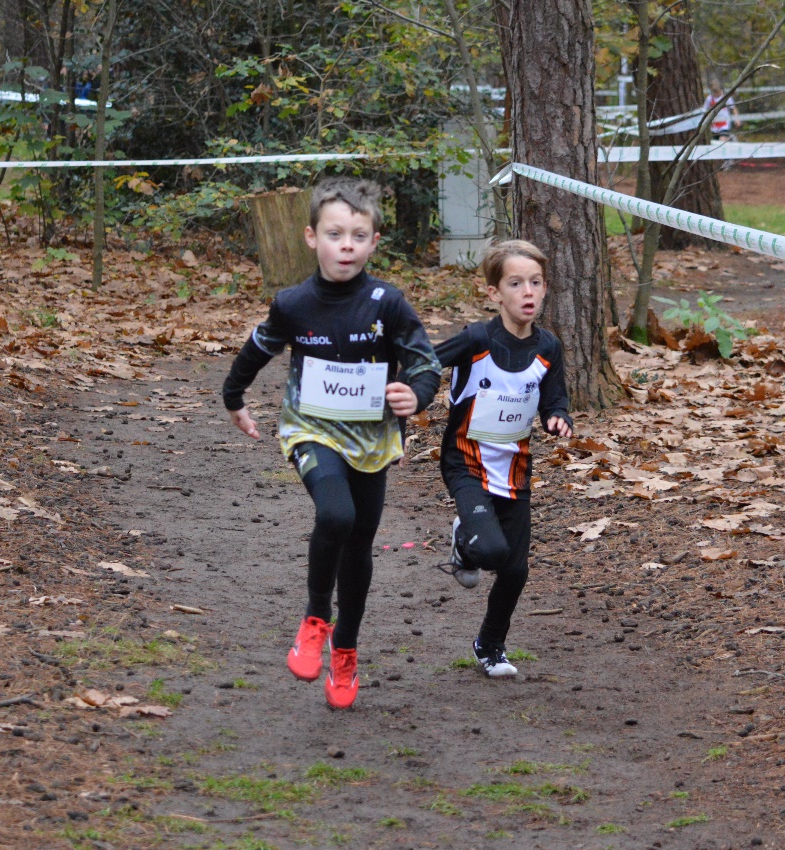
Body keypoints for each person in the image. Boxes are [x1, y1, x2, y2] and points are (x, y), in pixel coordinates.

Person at [222, 178, 441, 709]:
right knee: (336, 517)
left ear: (373, 242)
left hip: (371, 438)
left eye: (358, 235)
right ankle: (316, 616)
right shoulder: (294, 303)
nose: (347, 245)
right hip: (312, 430)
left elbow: (425, 362)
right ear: (310, 237)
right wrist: (234, 396)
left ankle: (345, 650)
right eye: (335, 234)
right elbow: (258, 349)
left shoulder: (387, 303)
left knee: (359, 544)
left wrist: (416, 395)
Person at [436, 241, 573, 678]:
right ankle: (465, 542)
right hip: (464, 461)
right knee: (492, 552)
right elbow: (424, 365)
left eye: (535, 283)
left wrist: (558, 418)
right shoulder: (476, 340)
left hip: (515, 469)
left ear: (546, 288)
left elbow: (555, 399)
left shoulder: (549, 347)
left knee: (515, 570)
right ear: (495, 293)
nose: (527, 292)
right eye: (516, 283)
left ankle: (489, 646)